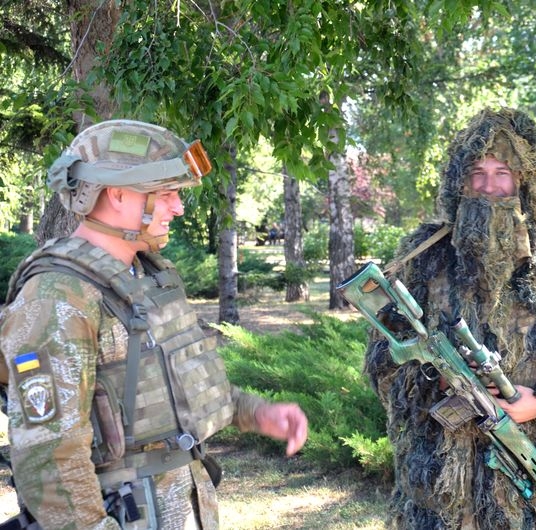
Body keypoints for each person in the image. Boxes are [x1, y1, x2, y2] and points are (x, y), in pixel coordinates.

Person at [0, 119, 308, 529]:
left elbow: (174, 382)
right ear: (117, 195)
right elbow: (48, 456)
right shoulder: (57, 297)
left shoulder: (146, 275)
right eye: (166, 194)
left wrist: (255, 412)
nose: (178, 208)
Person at [364, 108, 536, 529]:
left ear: (523, 180)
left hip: (528, 490)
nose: (489, 186)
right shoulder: (424, 258)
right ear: (460, 180)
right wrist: (438, 376)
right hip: (437, 491)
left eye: (502, 172)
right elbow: (382, 358)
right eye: (477, 172)